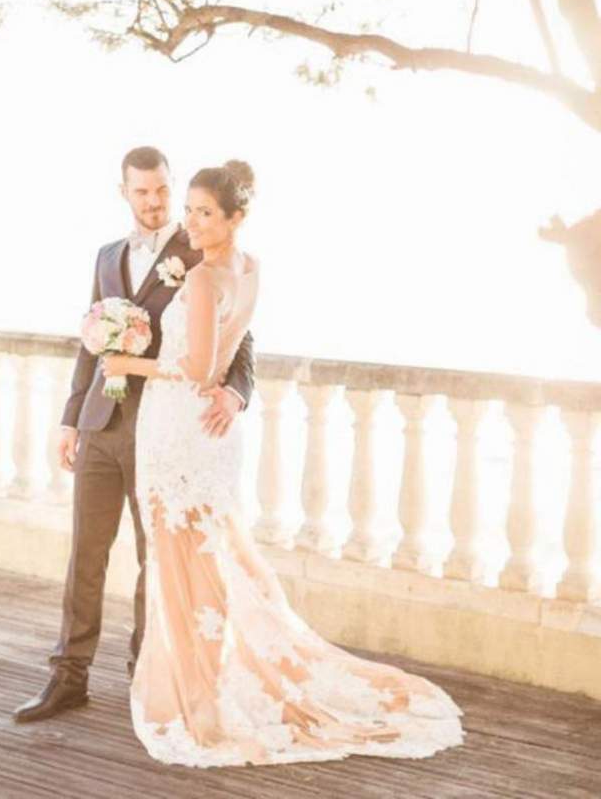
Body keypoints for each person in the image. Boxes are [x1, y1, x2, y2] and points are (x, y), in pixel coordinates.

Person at [100, 158, 465, 767]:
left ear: (235, 217)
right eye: (188, 209)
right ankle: (204, 680)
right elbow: (225, 354)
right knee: (209, 558)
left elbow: (196, 370)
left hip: (177, 428)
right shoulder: (250, 268)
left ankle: (198, 696)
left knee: (181, 562)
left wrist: (125, 365)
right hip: (210, 435)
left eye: (203, 212)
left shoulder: (205, 279)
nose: (190, 220)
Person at [12, 147, 255, 724]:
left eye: (162, 191)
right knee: (85, 554)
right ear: (124, 191)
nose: (155, 202)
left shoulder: (197, 248)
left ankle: (144, 673)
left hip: (159, 429)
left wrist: (236, 392)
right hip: (101, 424)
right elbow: (90, 339)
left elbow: (239, 336)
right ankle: (68, 676)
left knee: (157, 559)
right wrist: (72, 418)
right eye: (142, 191)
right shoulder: (105, 255)